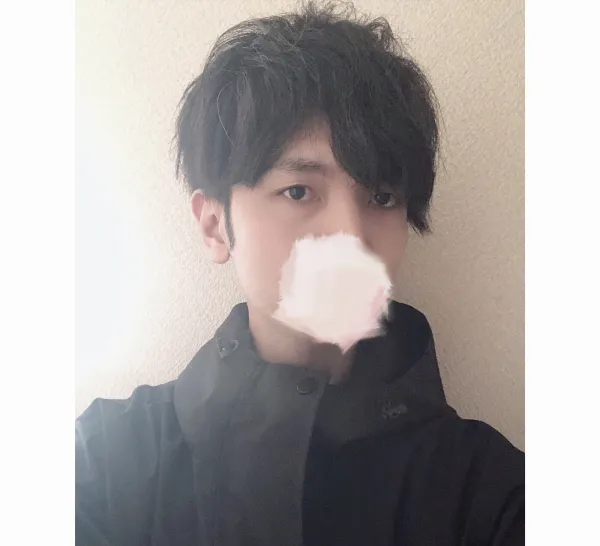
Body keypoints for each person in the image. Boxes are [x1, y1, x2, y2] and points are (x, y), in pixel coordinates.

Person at [75, 2, 525, 545]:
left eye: (382, 196)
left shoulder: (492, 493)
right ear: (215, 225)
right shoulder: (104, 465)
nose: (351, 237)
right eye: (297, 191)